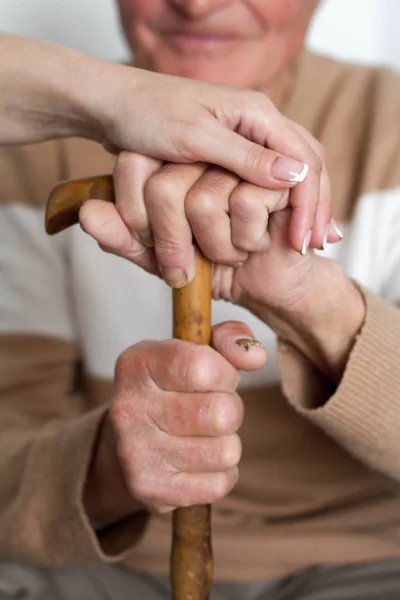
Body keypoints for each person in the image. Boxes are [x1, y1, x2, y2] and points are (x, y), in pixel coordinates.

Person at [0, 0, 400, 598]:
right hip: (103, 565)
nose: (197, 4)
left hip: (374, 558)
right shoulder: (29, 149)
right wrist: (111, 464)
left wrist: (309, 301)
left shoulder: (391, 123)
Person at [0, 32, 311, 194]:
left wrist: (331, 307)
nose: (197, 5)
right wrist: (121, 96)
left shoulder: (359, 120)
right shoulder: (28, 154)